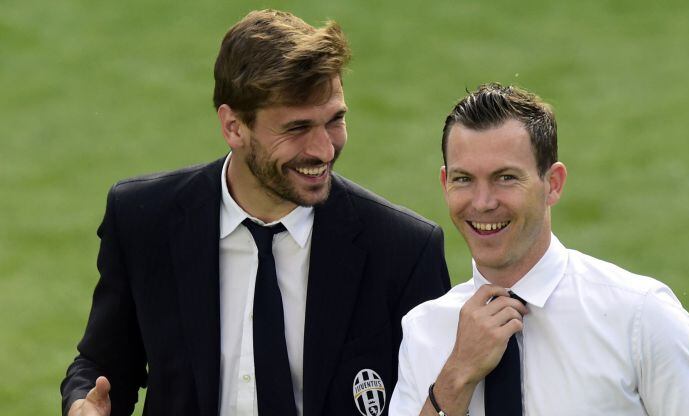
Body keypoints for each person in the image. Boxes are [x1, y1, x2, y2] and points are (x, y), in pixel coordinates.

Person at [60, 9, 450, 416]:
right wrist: (82, 405)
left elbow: (434, 396)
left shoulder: (403, 250)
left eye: (334, 120)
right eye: (297, 128)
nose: (324, 149)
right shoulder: (144, 219)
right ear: (233, 127)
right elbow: (102, 366)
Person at [389, 83, 689, 415]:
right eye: (464, 179)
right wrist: (455, 378)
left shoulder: (639, 316)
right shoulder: (425, 331)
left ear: (553, 184)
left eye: (506, 178)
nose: (482, 203)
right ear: (444, 183)